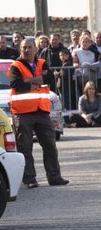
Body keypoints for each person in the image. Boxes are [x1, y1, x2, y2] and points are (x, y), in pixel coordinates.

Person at [9, 38, 69, 188]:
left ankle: (54, 177)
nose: (27, 50)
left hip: (42, 111)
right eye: (24, 47)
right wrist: (38, 81)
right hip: (22, 113)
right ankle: (30, 179)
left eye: (30, 47)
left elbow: (50, 79)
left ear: (36, 49)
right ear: (20, 49)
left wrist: (30, 81)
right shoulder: (15, 66)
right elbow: (17, 85)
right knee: (25, 147)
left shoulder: (42, 63)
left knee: (50, 144)